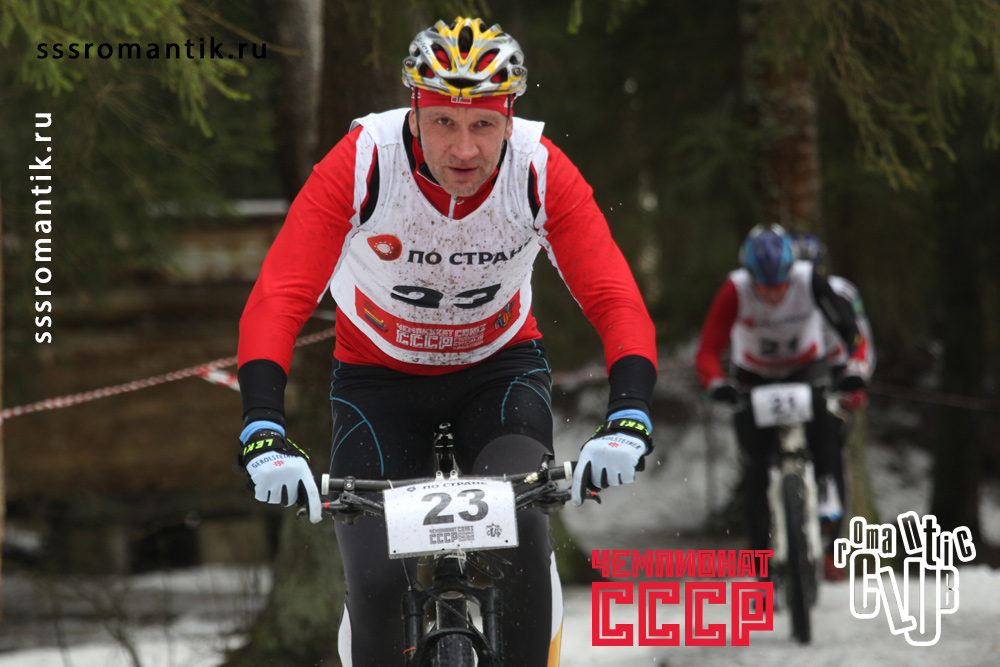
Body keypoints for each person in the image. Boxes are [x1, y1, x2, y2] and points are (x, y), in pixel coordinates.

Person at [234, 17, 657, 666]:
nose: (464, 148)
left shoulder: (538, 170)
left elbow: (613, 296)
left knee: (521, 542)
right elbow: (279, 295)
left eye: (483, 124)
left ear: (509, 120)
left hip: (499, 372)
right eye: (443, 122)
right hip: (378, 382)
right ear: (413, 111)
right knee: (375, 586)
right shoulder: (364, 161)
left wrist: (628, 414)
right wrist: (263, 428)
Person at [695, 224, 868, 583]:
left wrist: (855, 368)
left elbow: (852, 333)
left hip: (806, 369)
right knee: (755, 471)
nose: (773, 294)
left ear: (792, 272)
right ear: (749, 276)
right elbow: (708, 350)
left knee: (828, 436)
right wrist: (716, 383)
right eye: (764, 286)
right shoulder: (734, 289)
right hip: (754, 376)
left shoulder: (809, 280)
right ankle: (760, 566)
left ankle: (829, 510)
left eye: (780, 285)